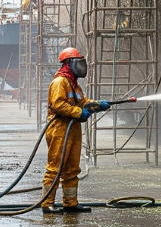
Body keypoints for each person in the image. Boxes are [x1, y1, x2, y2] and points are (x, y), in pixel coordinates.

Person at [42, 48, 110, 214]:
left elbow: (82, 102)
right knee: (55, 168)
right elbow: (58, 105)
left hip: (72, 128)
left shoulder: (73, 83)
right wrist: (79, 113)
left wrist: (96, 105)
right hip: (59, 128)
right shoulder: (60, 82)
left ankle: (70, 203)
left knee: (72, 168)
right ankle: (47, 203)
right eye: (77, 62)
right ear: (68, 64)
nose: (80, 66)